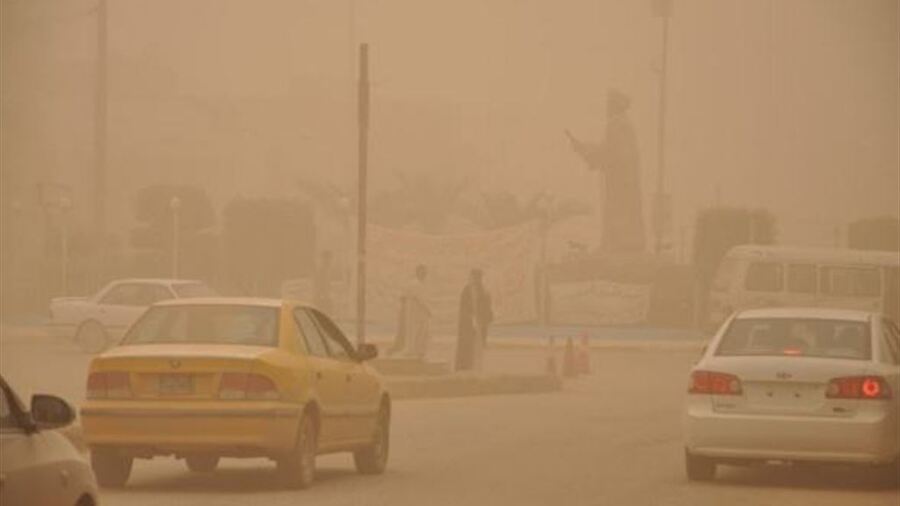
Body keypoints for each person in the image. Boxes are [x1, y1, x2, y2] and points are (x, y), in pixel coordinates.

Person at [567, 89, 646, 253]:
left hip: (620, 183)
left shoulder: (617, 125)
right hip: (625, 182)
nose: (606, 108)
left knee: (619, 213)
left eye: (609, 104)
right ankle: (623, 243)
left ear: (614, 106)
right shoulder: (624, 124)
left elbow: (611, 154)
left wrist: (584, 150)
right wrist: (586, 149)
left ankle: (619, 244)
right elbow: (610, 152)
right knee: (623, 213)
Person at [387, 265, 432, 359]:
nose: (424, 274)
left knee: (418, 332)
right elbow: (419, 299)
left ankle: (417, 351)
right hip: (415, 312)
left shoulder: (420, 284)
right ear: (418, 273)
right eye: (422, 272)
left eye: (425, 273)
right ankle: (413, 351)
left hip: (417, 313)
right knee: (414, 332)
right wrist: (428, 310)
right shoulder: (415, 284)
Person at [455, 269, 494, 372]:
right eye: (473, 277)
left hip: (479, 322)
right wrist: (470, 317)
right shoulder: (467, 290)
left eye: (476, 277)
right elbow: (464, 307)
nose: (473, 279)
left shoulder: (483, 290)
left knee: (478, 345)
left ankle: (476, 366)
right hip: (469, 322)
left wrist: (483, 318)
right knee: (467, 344)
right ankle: (465, 366)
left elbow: (486, 306)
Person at [312, 251, 334, 315]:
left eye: (330, 259)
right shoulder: (321, 271)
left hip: (323, 297)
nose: (330, 262)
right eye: (328, 259)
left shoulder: (326, 271)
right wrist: (322, 296)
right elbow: (319, 285)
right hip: (321, 298)